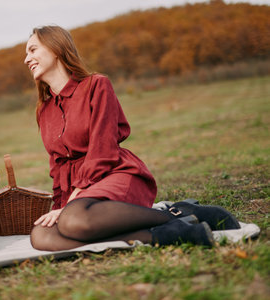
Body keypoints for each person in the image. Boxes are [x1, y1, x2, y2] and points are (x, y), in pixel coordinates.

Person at [23, 25, 240, 251]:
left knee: (73, 220)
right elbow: (58, 167)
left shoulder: (96, 85)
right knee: (41, 235)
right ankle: (167, 234)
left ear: (55, 48)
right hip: (80, 194)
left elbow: (102, 149)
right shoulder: (44, 110)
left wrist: (70, 203)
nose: (27, 59)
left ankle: (176, 214)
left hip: (113, 172)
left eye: (32, 50)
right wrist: (59, 205)